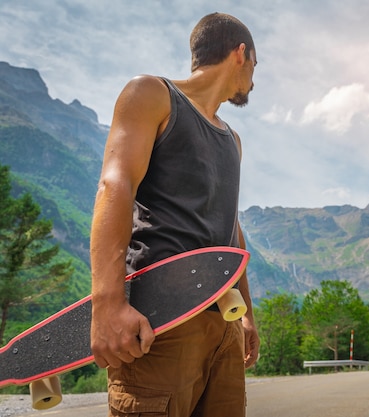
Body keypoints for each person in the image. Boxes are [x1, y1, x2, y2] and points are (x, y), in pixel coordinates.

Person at [89, 12, 259, 417]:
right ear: (241, 54)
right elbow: (116, 186)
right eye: (255, 65)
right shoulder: (151, 94)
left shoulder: (232, 140)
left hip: (223, 324)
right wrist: (107, 304)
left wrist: (247, 316)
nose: (254, 79)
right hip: (163, 321)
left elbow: (231, 231)